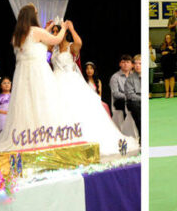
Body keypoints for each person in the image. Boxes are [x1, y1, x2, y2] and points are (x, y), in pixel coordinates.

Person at [50, 21, 137, 155]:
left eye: (57, 31)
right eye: (54, 31)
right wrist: (48, 28)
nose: (55, 33)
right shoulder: (53, 48)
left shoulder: (70, 46)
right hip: (55, 81)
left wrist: (71, 29)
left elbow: (79, 43)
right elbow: (41, 45)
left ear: (64, 32)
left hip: (70, 81)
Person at [0, 4, 70, 152]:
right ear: (32, 16)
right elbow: (55, 40)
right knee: (42, 101)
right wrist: (64, 28)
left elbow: (33, 42)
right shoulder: (36, 31)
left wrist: (45, 30)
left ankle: (29, 135)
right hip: (38, 71)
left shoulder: (17, 35)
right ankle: (45, 135)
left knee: (27, 104)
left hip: (23, 74)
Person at [110, 54, 133, 127]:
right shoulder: (115, 77)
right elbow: (115, 93)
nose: (125, 64)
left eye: (128, 62)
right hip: (120, 101)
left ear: (132, 65)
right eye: (123, 62)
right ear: (120, 64)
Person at [125, 54, 141, 137]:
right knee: (136, 105)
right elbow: (130, 95)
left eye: (140, 63)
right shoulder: (130, 78)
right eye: (136, 64)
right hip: (134, 101)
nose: (137, 66)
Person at [160, 34, 176, 98]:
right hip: (164, 63)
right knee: (166, 78)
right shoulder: (162, 45)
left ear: (171, 38)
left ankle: (172, 92)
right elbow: (162, 52)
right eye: (167, 38)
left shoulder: (174, 44)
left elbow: (175, 52)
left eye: (169, 38)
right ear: (165, 39)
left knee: (172, 77)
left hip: (172, 62)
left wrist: (168, 51)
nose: (168, 39)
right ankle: (167, 92)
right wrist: (168, 50)